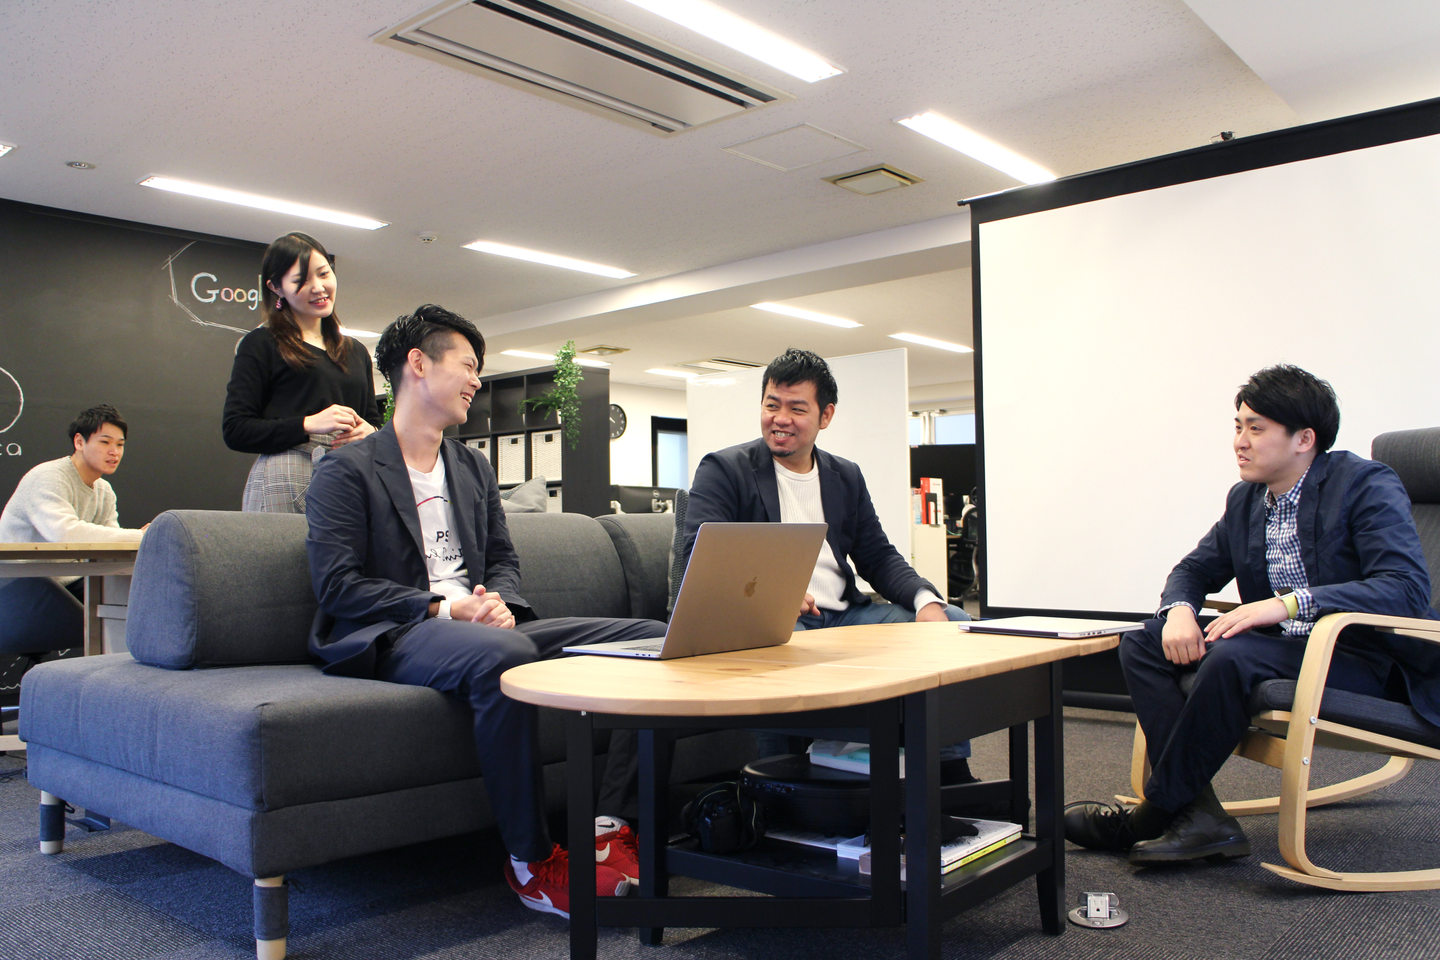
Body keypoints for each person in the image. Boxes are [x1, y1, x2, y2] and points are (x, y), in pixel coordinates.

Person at [305, 304, 665, 918]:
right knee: (506, 654)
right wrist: (447, 606)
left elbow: (502, 558)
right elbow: (338, 587)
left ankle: (610, 827)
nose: (476, 380)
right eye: (468, 365)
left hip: (486, 629)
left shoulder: (471, 466)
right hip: (401, 630)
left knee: (650, 639)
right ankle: (531, 863)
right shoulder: (347, 468)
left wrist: (499, 600)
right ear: (417, 365)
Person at [1065, 365, 1440, 864]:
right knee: (1143, 641)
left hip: (1362, 657)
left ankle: (1152, 815)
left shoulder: (1364, 484)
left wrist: (1287, 603)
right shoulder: (1246, 499)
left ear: (1304, 439)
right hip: (1283, 649)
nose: (1240, 442)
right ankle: (1200, 817)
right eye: (1238, 426)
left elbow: (1405, 589)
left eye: (1256, 428)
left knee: (1233, 657)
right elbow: (1194, 569)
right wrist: (1179, 612)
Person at [683, 348, 975, 779]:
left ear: (826, 416)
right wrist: (774, 595)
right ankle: (778, 782)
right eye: (772, 405)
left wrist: (924, 600)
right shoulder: (725, 469)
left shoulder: (844, 475)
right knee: (779, 653)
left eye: (797, 409)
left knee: (951, 622)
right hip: (776, 623)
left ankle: (947, 770)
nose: (781, 419)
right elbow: (701, 554)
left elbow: (877, 555)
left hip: (846, 616)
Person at [223, 232, 381, 513]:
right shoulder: (262, 343)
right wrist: (308, 424)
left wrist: (370, 432)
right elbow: (236, 429)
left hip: (349, 474)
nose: (319, 287)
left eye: (324, 274)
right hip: (287, 475)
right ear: (276, 287)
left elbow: (371, 419)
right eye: (302, 281)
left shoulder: (355, 350)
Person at [0, 405, 146, 573]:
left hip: (70, 576)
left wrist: (145, 538)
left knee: (127, 581)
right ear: (79, 442)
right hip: (18, 577)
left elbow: (112, 542)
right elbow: (64, 534)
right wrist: (141, 536)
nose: (115, 452)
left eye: (120, 444)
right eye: (105, 442)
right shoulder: (48, 477)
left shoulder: (104, 490)